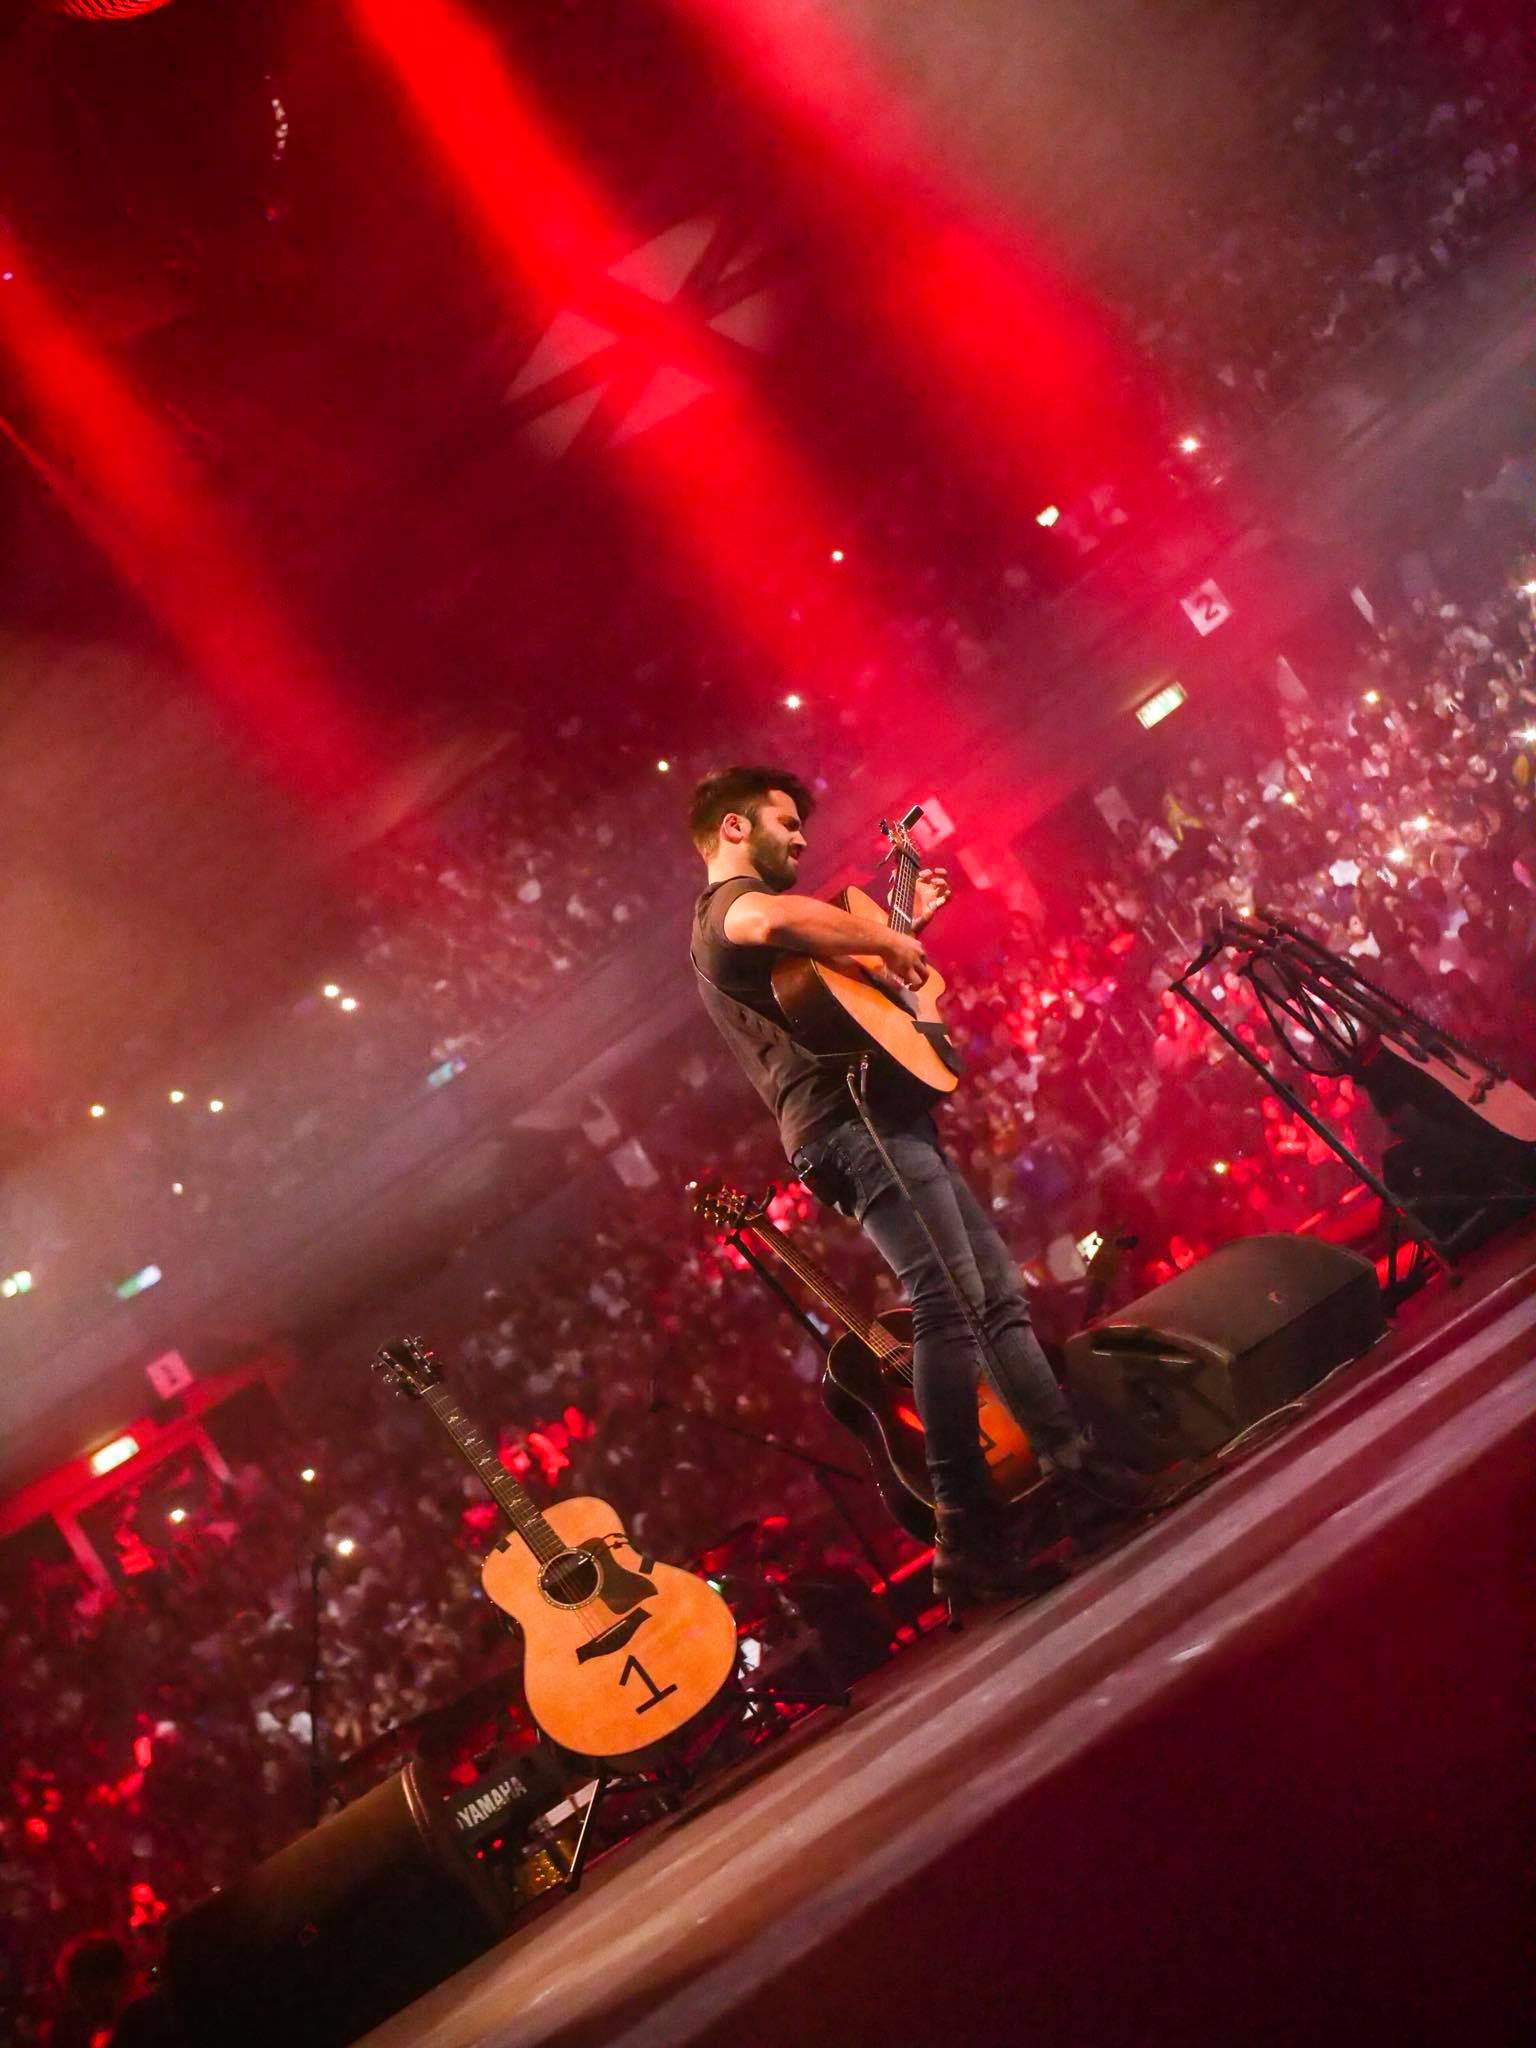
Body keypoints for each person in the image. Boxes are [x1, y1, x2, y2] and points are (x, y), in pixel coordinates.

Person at [687, 766, 1152, 1610]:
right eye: (785, 823)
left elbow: (845, 995)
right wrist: (883, 940)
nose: (800, 838)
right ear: (732, 829)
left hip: (880, 1118)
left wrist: (898, 937)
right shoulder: (730, 909)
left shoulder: (778, 944)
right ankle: (966, 1533)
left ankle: (1076, 1472)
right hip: (851, 1124)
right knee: (946, 1310)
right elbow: (769, 916)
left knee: (996, 1297)